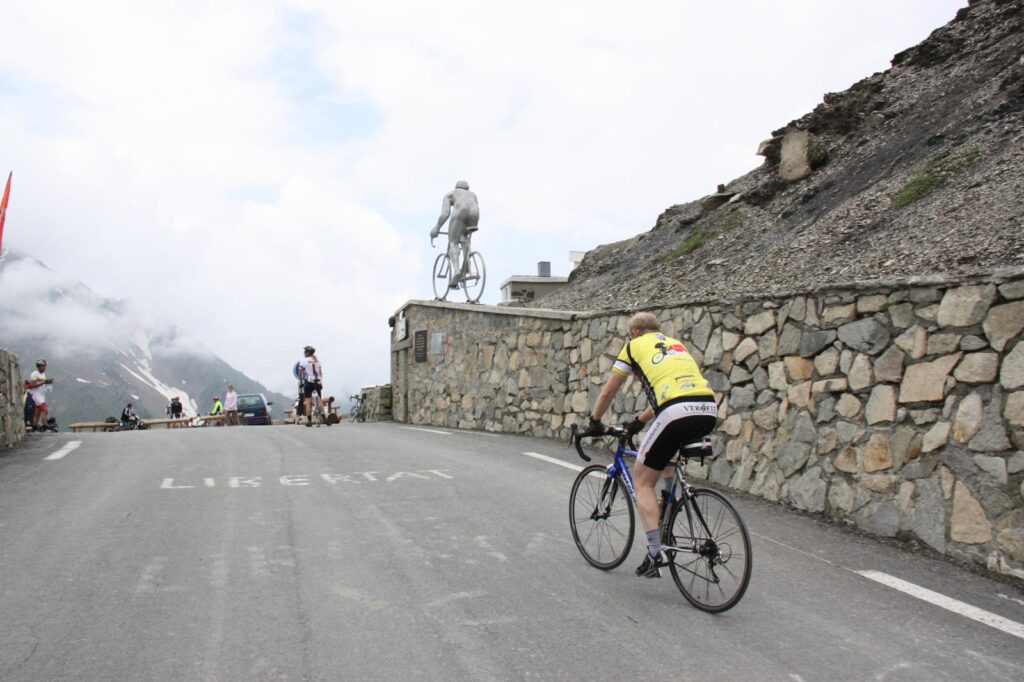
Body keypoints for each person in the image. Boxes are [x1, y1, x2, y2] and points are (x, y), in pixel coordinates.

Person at [584, 312, 718, 579]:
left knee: (642, 481)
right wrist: (638, 421)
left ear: (634, 333)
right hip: (707, 408)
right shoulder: (675, 345)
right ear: (657, 329)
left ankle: (657, 552)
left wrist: (595, 420)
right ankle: (668, 504)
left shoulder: (633, 347)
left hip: (675, 411)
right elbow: (669, 393)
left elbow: (609, 390)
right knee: (666, 456)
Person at [430, 180, 479, 288]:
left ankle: (457, 271)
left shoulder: (450, 194)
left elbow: (445, 214)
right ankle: (466, 264)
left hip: (460, 211)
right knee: (465, 237)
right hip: (475, 214)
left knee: (453, 242)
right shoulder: (473, 195)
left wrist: (437, 227)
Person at [297, 345, 322, 427]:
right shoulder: (317, 361)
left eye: (305, 352)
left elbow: (300, 373)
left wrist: (300, 381)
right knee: (319, 399)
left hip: (308, 382)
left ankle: (309, 421)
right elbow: (320, 372)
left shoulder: (303, 361)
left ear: (307, 353)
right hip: (317, 381)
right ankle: (324, 418)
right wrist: (320, 381)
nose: (304, 353)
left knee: (308, 402)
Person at [26, 359, 53, 432]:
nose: (45, 368)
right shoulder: (34, 374)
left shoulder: (43, 374)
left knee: (37, 413)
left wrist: (48, 383)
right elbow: (32, 385)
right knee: (45, 410)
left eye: (45, 366)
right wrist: (44, 382)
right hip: (36, 395)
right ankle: (45, 428)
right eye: (43, 366)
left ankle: (34, 429)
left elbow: (43, 382)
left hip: (41, 395)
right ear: (39, 366)